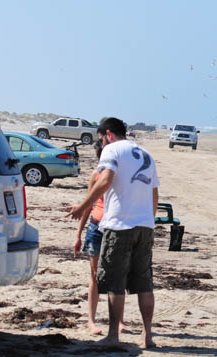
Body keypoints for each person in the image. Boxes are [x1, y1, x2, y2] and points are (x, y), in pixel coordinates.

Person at [66, 117, 160, 348]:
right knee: (144, 283)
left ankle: (112, 337)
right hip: (145, 226)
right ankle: (147, 336)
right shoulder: (145, 154)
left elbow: (105, 180)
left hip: (119, 226)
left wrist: (81, 205)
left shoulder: (112, 150)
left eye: (101, 139)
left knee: (115, 282)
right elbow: (154, 193)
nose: (102, 143)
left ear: (108, 134)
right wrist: (148, 219)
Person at [73, 140, 125, 336]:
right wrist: (78, 235)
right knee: (95, 275)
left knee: (117, 276)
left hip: (116, 228)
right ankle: (91, 321)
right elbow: (88, 204)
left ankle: (119, 320)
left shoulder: (120, 175)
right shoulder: (96, 175)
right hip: (96, 227)